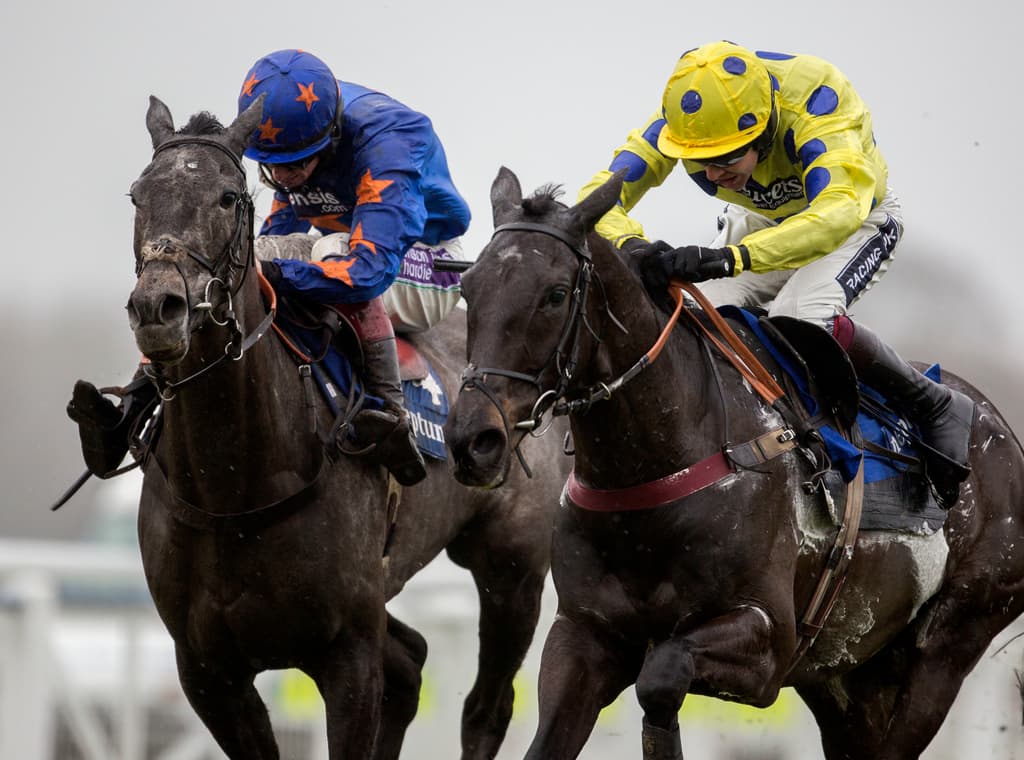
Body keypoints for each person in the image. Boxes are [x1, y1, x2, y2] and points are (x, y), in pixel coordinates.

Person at [578, 40, 973, 506]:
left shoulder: (818, 98)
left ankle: (933, 402)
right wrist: (635, 246)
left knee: (799, 315)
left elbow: (835, 215)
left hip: (854, 217)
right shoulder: (688, 119)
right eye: (699, 162)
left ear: (764, 129)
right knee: (696, 320)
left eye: (726, 158)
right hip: (767, 222)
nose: (713, 174)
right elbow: (595, 200)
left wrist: (730, 258)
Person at [68, 49, 471, 487]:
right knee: (239, 257)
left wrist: (280, 276)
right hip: (351, 244)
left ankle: (388, 410)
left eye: (296, 165)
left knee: (331, 250)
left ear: (331, 137)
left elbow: (366, 271)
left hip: (428, 263)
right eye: (272, 167)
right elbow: (263, 250)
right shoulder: (294, 139)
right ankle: (135, 403)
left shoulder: (390, 143)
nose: (284, 179)